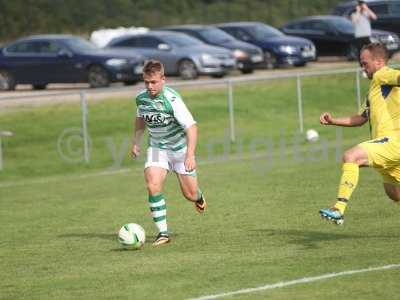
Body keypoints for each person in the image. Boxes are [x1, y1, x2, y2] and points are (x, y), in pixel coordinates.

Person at [319, 42, 400, 225]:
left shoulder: (382, 74)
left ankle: (338, 209)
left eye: (365, 63)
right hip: (388, 147)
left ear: (379, 62)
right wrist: (333, 121)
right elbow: (360, 118)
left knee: (351, 156)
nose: (362, 67)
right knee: (394, 193)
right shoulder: (375, 89)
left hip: (393, 142)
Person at [131, 60, 207, 246]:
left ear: (163, 79)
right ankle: (163, 233)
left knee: (189, 194)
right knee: (152, 185)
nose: (150, 86)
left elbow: (192, 127)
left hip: (180, 151)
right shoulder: (141, 99)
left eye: (154, 82)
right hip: (157, 150)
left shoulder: (172, 100)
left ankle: (199, 197)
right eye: (146, 82)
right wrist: (136, 142)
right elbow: (140, 119)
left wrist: (190, 155)